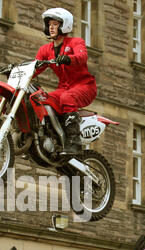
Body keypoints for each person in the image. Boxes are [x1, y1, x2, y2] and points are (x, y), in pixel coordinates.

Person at [34, 7, 97, 155]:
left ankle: (74, 141)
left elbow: (82, 57)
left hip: (85, 86)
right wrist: (16, 71)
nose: (51, 27)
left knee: (66, 98)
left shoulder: (76, 42)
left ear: (64, 25)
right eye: (49, 24)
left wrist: (69, 58)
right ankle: (49, 137)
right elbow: (35, 67)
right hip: (64, 88)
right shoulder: (45, 50)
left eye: (55, 24)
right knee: (42, 99)